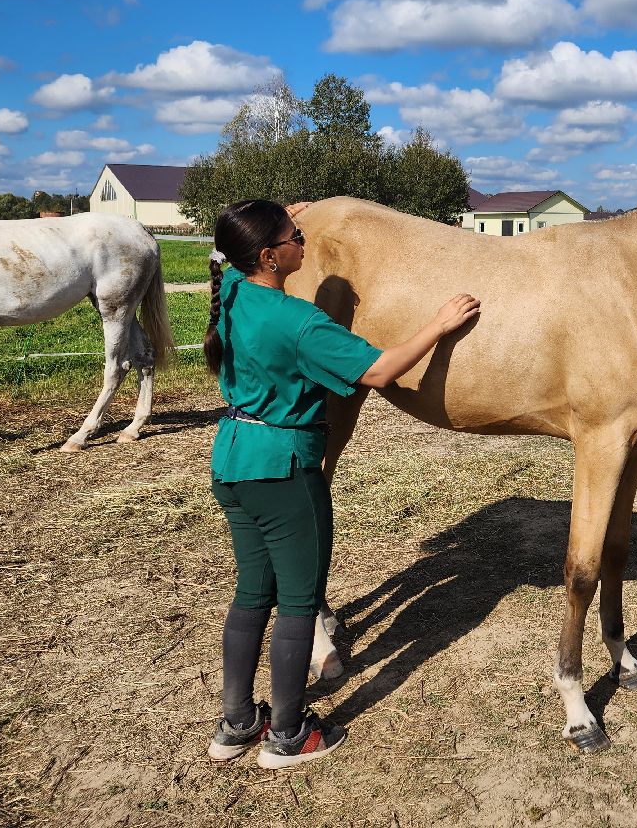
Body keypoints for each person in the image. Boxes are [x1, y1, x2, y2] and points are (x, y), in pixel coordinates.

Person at [202, 199, 479, 769]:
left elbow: (227, 252)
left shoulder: (229, 292)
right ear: (271, 257)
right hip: (285, 469)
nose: (304, 240)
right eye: (294, 235)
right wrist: (438, 324)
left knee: (253, 593)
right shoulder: (299, 323)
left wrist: (278, 209)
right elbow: (379, 371)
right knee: (300, 602)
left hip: (233, 460)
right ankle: (288, 734)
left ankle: (235, 725)